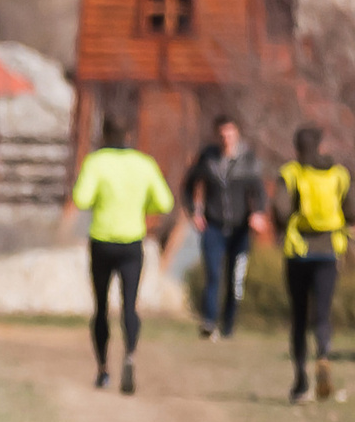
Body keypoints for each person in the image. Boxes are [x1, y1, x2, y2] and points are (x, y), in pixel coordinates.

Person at [63, 118, 174, 394]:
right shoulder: (144, 164)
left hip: (102, 241)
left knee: (101, 307)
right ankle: (130, 355)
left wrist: (101, 200)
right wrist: (142, 207)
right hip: (132, 242)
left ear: (104, 135)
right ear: (129, 136)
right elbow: (164, 202)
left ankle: (103, 369)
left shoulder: (96, 162)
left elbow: (82, 199)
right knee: (129, 306)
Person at [275, 126, 350, 404]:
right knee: (322, 313)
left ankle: (300, 382)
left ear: (297, 146)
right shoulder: (338, 174)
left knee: (299, 316)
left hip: (298, 252)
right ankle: (323, 354)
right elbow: (352, 210)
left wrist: (282, 226)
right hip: (328, 251)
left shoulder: (291, 173)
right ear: (321, 145)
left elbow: (281, 210)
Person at [184, 115, 264, 339]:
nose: (226, 138)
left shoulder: (247, 158)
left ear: (237, 134)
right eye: (222, 134)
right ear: (216, 135)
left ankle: (228, 325)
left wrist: (258, 213)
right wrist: (193, 212)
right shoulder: (207, 158)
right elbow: (189, 185)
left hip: (240, 229)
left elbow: (258, 191)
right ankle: (209, 323)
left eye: (230, 134)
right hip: (213, 226)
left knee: (234, 279)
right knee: (213, 274)